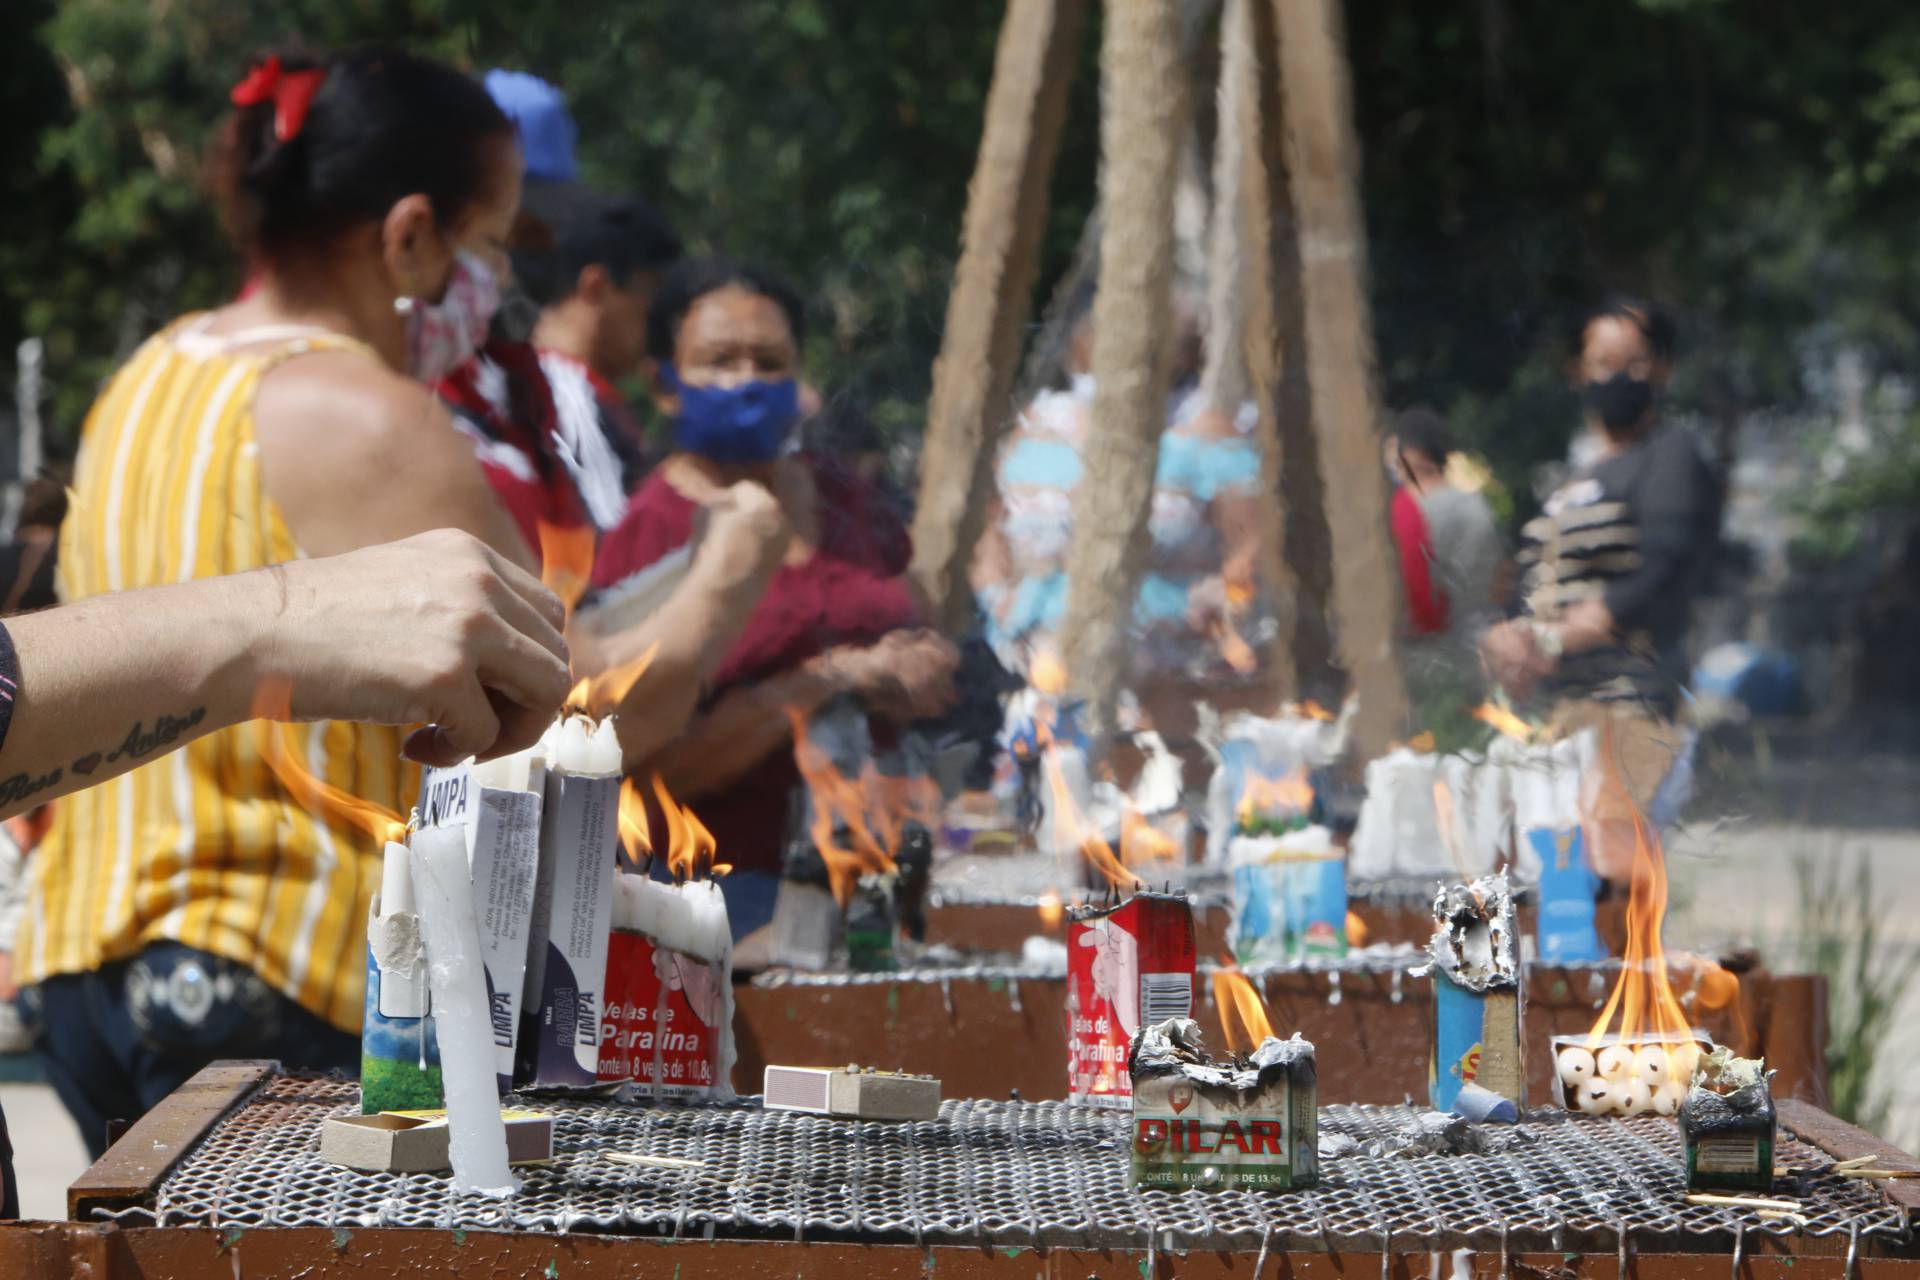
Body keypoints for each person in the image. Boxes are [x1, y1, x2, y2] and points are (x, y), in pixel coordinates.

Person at [19, 49, 778, 1155]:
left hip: (88, 968)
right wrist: (729, 573)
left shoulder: (148, 373)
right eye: (489, 244)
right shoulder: (367, 414)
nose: (496, 286)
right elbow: (569, 711)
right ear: (411, 235)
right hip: (277, 970)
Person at [0, 529, 571, 1217]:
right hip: (265, 963)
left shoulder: (122, 417)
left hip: (77, 946)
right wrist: (275, 618)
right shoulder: (361, 422)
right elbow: (516, 656)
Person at [591, 257, 959, 938]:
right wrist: (822, 681)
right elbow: (632, 783)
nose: (747, 382)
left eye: (769, 361)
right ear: (663, 385)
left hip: (868, 874)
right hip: (717, 901)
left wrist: (917, 670)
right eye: (719, 360)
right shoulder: (649, 539)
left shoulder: (844, 495)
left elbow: (913, 620)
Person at [972, 295, 1269, 735]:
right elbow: (988, 525)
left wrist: (1225, 593)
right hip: (1044, 668)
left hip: (1166, 685)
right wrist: (998, 598)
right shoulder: (1041, 424)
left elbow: (1255, 543)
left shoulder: (1204, 434)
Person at [1481, 297, 1719, 838]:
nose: (1619, 378)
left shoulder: (1671, 455)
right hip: (1560, 711)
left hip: (1629, 706)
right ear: (1577, 371)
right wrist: (1506, 637)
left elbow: (1661, 571)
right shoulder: (1575, 478)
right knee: (1531, 873)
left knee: (1601, 878)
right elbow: (1530, 580)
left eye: (1634, 364)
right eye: (1602, 364)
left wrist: (1560, 636)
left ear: (1662, 369)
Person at [522, 185, 684, 520]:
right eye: (650, 296)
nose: (659, 320)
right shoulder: (565, 398)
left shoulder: (560, 391)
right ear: (596, 286)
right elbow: (615, 557)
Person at [1386, 407, 1506, 705]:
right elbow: (1501, 581)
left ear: (1410, 454)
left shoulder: (1403, 514)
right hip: (1481, 654)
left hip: (1419, 665)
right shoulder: (1479, 508)